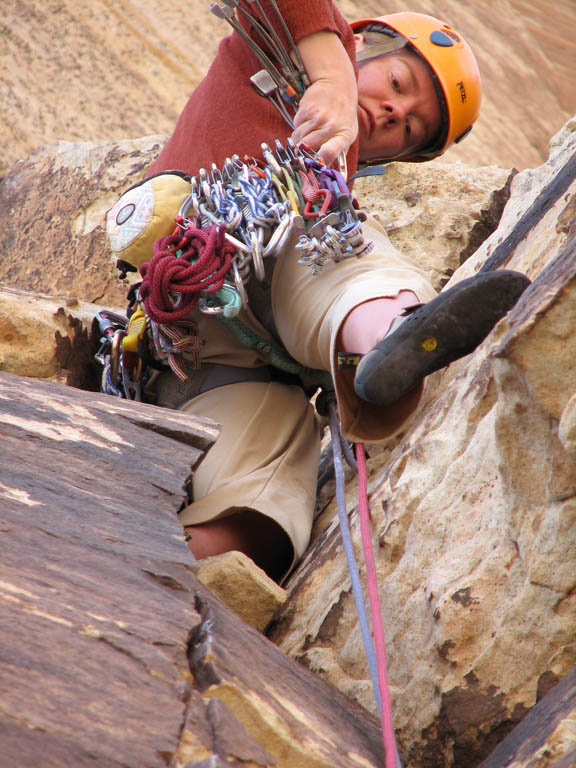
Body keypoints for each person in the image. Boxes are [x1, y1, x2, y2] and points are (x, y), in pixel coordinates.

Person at [137, 1, 529, 582]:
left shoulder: (335, 169)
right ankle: (389, 331)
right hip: (208, 270)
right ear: (363, 43)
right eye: (397, 82)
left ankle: (176, 564)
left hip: (215, 364)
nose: (395, 111)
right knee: (339, 240)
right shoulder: (270, 58)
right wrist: (332, 78)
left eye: (410, 128)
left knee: (269, 492)